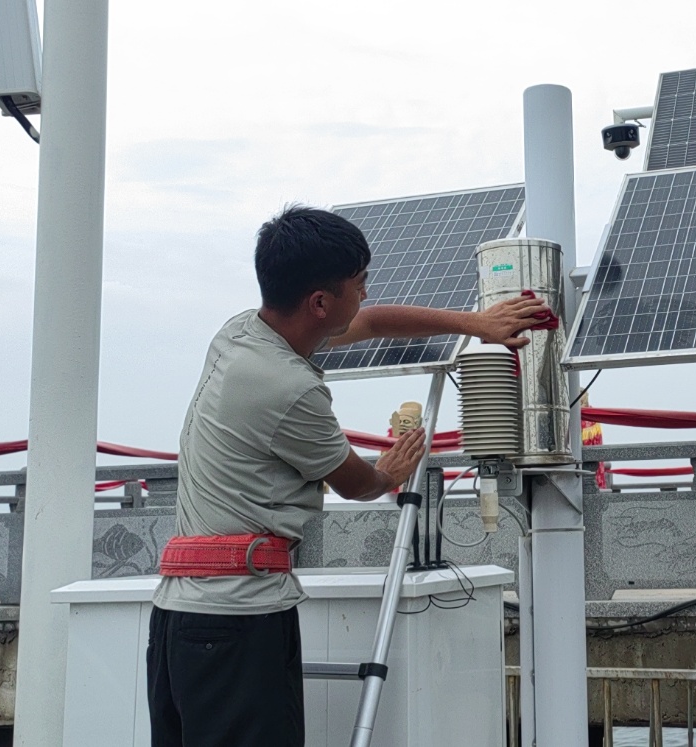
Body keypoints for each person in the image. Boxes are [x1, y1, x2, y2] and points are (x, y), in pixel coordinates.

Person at [146, 205, 549, 746]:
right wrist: (389, 472)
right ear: (319, 303)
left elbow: (374, 321)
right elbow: (354, 483)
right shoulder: (289, 388)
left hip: (179, 617)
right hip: (237, 622)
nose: (365, 294)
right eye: (359, 285)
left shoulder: (241, 334)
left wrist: (475, 323)